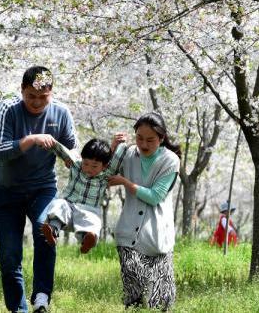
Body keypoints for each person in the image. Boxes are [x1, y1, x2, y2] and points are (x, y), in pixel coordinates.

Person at [0, 66, 76, 313]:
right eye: (31, 96)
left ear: (51, 92)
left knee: (45, 231)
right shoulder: (8, 109)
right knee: (9, 256)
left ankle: (41, 298)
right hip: (8, 192)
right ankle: (18, 308)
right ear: (22, 91)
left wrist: (75, 159)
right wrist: (32, 139)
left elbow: (72, 148)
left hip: (43, 188)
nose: (37, 102)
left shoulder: (61, 113)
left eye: (43, 97)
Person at [108, 112, 181, 311]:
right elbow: (104, 175)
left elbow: (155, 196)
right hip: (128, 234)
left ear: (161, 138)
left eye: (150, 140)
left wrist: (125, 182)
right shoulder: (128, 153)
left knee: (162, 300)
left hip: (158, 237)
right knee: (134, 296)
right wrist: (112, 150)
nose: (144, 144)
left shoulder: (170, 160)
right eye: (139, 138)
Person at [41, 137, 127, 254]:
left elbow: (116, 161)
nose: (88, 169)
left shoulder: (105, 175)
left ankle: (86, 240)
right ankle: (52, 230)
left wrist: (122, 145)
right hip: (69, 208)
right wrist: (47, 141)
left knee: (92, 221)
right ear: (82, 159)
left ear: (104, 166)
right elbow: (61, 150)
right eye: (86, 163)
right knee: (59, 204)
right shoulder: (76, 164)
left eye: (94, 166)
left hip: (88, 210)